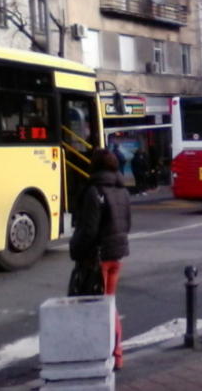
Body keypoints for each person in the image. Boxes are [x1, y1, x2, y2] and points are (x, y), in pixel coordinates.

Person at [70, 148, 132, 370]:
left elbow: (88, 231)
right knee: (109, 304)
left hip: (97, 260)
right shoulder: (122, 191)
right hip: (116, 256)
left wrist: (75, 250)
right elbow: (126, 225)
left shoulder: (94, 191)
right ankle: (117, 354)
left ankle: (98, 353)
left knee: (93, 306)